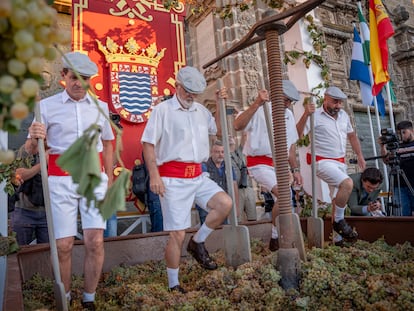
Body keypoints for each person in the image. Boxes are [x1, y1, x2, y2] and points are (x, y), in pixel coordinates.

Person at [26, 52, 114, 310]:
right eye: (74, 77)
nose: (79, 83)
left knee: (95, 241)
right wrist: (33, 136)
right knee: (63, 245)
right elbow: (32, 149)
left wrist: (108, 178)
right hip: (60, 181)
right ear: (64, 76)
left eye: (84, 78)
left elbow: (108, 143)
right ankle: (65, 299)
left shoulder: (102, 107)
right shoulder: (46, 107)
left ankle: (89, 299)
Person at [141, 66, 232, 293]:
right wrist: (155, 176)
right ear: (177, 86)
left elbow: (218, 132)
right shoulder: (162, 110)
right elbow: (148, 144)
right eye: (187, 90)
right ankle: (174, 284)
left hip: (198, 175)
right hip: (172, 179)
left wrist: (220, 106)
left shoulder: (201, 111)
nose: (191, 95)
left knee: (224, 204)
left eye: (195, 92)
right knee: (177, 234)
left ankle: (198, 241)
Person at [233, 80, 303, 251]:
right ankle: (279, 237)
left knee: (287, 200)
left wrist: (294, 170)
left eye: (290, 102)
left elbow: (291, 146)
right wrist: (257, 103)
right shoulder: (260, 109)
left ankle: (275, 236)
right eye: (285, 100)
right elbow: (237, 125)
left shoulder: (288, 115)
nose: (287, 105)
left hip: (279, 164)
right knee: (285, 195)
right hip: (259, 163)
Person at [296, 86, 366, 244]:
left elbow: (352, 136)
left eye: (340, 102)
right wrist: (306, 114)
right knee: (347, 184)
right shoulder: (315, 115)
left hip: (340, 162)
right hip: (322, 161)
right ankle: (339, 221)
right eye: (335, 102)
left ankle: (338, 239)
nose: (338, 106)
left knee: (337, 200)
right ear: (325, 99)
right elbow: (298, 134)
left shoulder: (343, 116)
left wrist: (360, 155)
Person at [10, 145, 49, 245]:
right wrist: (43, 163)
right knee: (20, 252)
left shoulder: (58, 150)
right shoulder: (28, 149)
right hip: (24, 211)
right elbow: (19, 175)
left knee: (46, 253)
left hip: (48, 213)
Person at [196, 139, 238, 225]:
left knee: (224, 230)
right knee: (209, 233)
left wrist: (236, 206)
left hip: (222, 205)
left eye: (222, 152)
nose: (220, 155)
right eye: (217, 152)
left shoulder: (228, 166)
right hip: (207, 206)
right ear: (211, 152)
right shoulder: (204, 166)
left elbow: (234, 186)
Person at [379, 120, 414, 216]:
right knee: (402, 214)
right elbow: (386, 161)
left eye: (404, 132)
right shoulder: (396, 146)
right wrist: (383, 147)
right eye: (399, 133)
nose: (402, 136)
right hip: (399, 185)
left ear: (412, 131)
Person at [229, 134, 257, 222]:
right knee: (238, 218)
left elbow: (245, 135)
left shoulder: (240, 151)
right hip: (236, 189)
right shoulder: (224, 155)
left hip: (248, 187)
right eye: (228, 136)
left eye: (232, 136)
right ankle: (241, 235)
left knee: (252, 217)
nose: (230, 138)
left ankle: (253, 235)